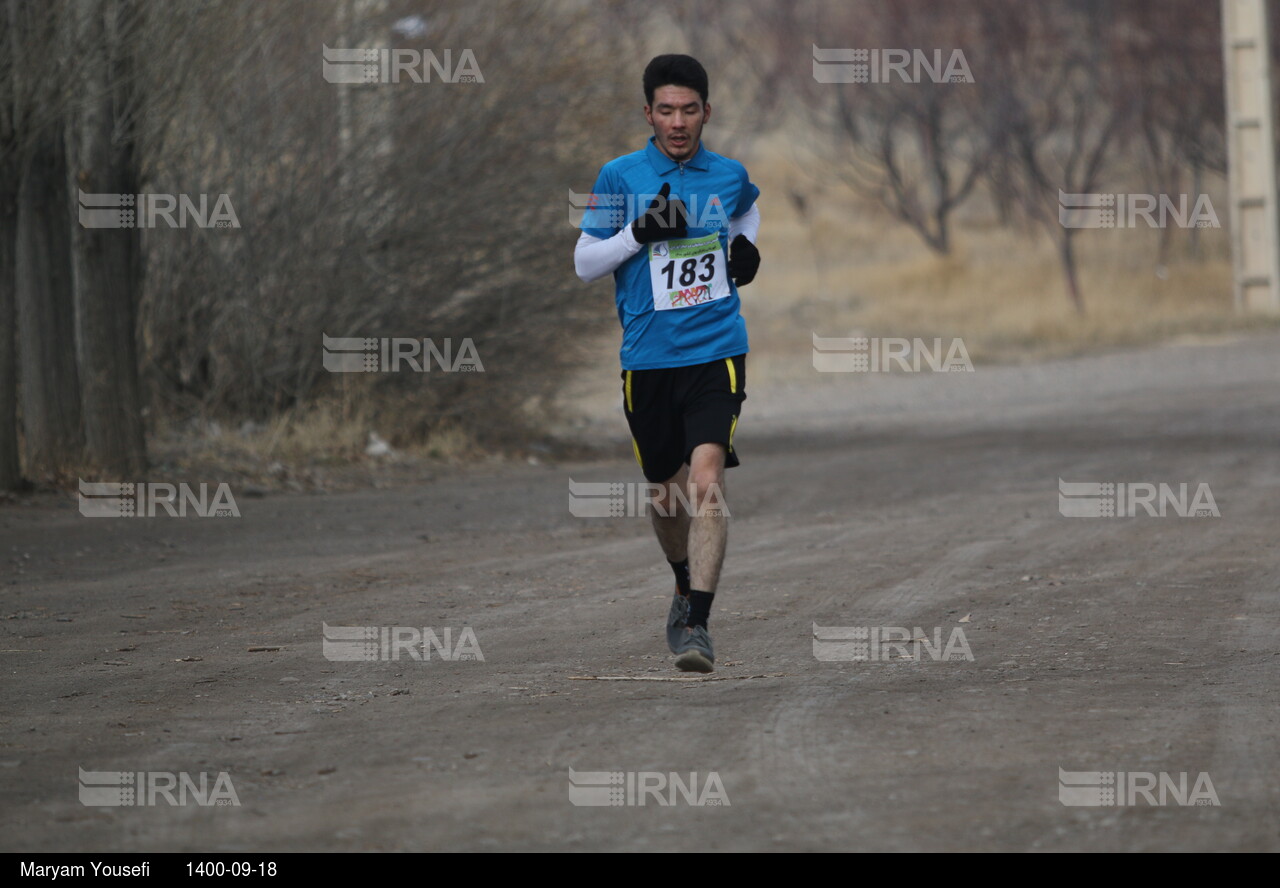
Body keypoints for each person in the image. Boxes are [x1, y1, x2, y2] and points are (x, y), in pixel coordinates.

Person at [574, 54, 761, 673]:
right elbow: (583, 263)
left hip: (716, 351)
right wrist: (639, 234)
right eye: (665, 110)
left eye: (688, 110)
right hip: (648, 360)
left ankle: (700, 626)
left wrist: (745, 248)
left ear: (706, 112)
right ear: (648, 113)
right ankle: (683, 581)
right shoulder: (621, 176)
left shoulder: (727, 173)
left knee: (707, 481)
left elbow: (746, 209)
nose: (677, 122)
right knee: (666, 494)